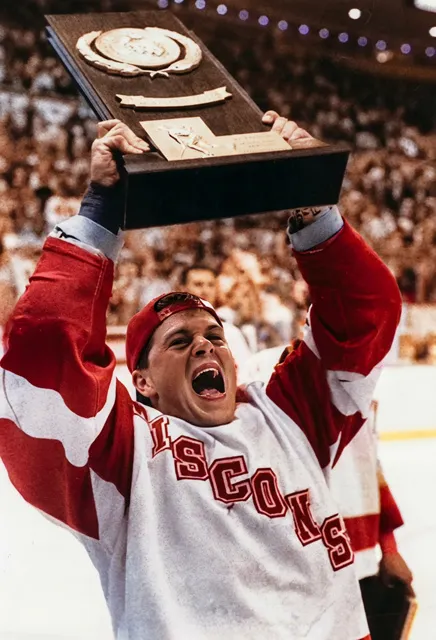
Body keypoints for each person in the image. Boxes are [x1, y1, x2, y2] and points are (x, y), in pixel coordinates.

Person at [0, 113, 402, 640]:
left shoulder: (291, 412)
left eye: (214, 335)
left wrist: (315, 204)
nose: (205, 345)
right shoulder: (126, 453)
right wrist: (100, 215)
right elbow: (45, 357)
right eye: (179, 341)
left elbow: (365, 317)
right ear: (142, 381)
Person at [243, 346, 414, 638]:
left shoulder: (354, 379)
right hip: (304, 574)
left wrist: (389, 548)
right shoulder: (265, 370)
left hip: (361, 566)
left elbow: (370, 466)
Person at [179, 264, 253, 379]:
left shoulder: (229, 332)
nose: (205, 291)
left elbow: (246, 375)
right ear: (182, 289)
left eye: (211, 285)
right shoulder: (172, 330)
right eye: (198, 284)